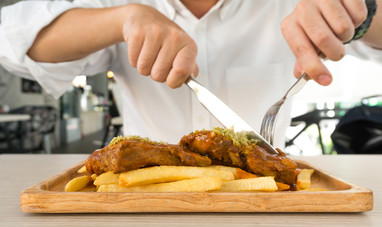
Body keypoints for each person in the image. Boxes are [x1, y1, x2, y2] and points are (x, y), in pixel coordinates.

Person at [0, 0, 381, 147]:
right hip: (144, 209)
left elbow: (371, 24)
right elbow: (13, 40)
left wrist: (359, 11)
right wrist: (122, 19)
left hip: (265, 203)